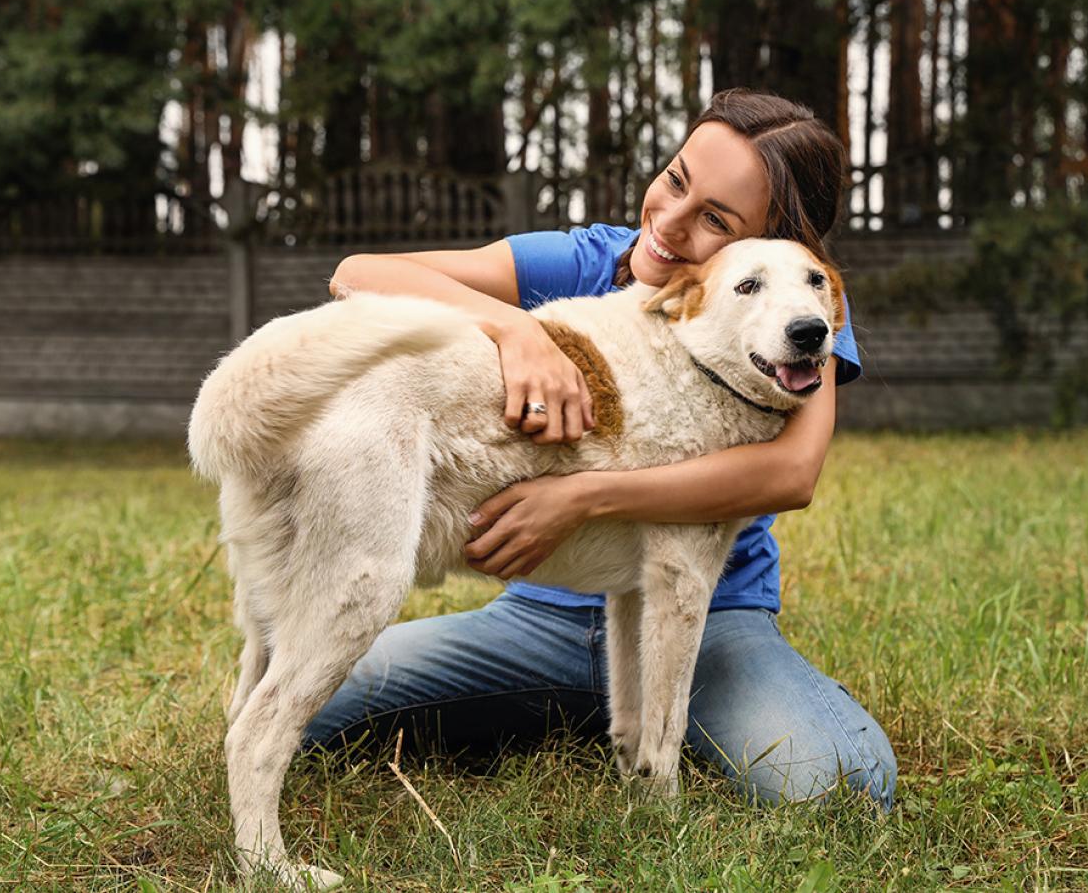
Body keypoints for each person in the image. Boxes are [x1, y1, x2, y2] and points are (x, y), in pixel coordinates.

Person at [304, 88, 896, 809]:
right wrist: (516, 330)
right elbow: (359, 274)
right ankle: (574, 712)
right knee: (310, 710)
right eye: (676, 180)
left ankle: (656, 719)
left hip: (707, 625)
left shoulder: (795, 308)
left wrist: (581, 496)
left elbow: (790, 472)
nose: (670, 223)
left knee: (841, 786)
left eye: (716, 218)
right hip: (532, 620)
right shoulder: (586, 257)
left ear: (771, 240)